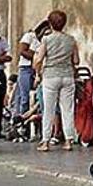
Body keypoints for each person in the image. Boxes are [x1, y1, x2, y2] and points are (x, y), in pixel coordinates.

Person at [34, 10, 80, 152]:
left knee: (49, 109)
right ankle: (68, 141)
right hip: (67, 76)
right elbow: (77, 61)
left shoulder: (46, 40)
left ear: (50, 23)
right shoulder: (71, 40)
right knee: (68, 109)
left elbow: (39, 59)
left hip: (50, 76)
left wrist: (38, 73)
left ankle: (45, 141)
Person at [14, 20, 50, 121]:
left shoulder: (47, 40)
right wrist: (37, 55)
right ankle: (21, 120)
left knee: (38, 96)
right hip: (26, 68)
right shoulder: (30, 36)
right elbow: (22, 51)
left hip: (40, 68)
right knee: (24, 97)